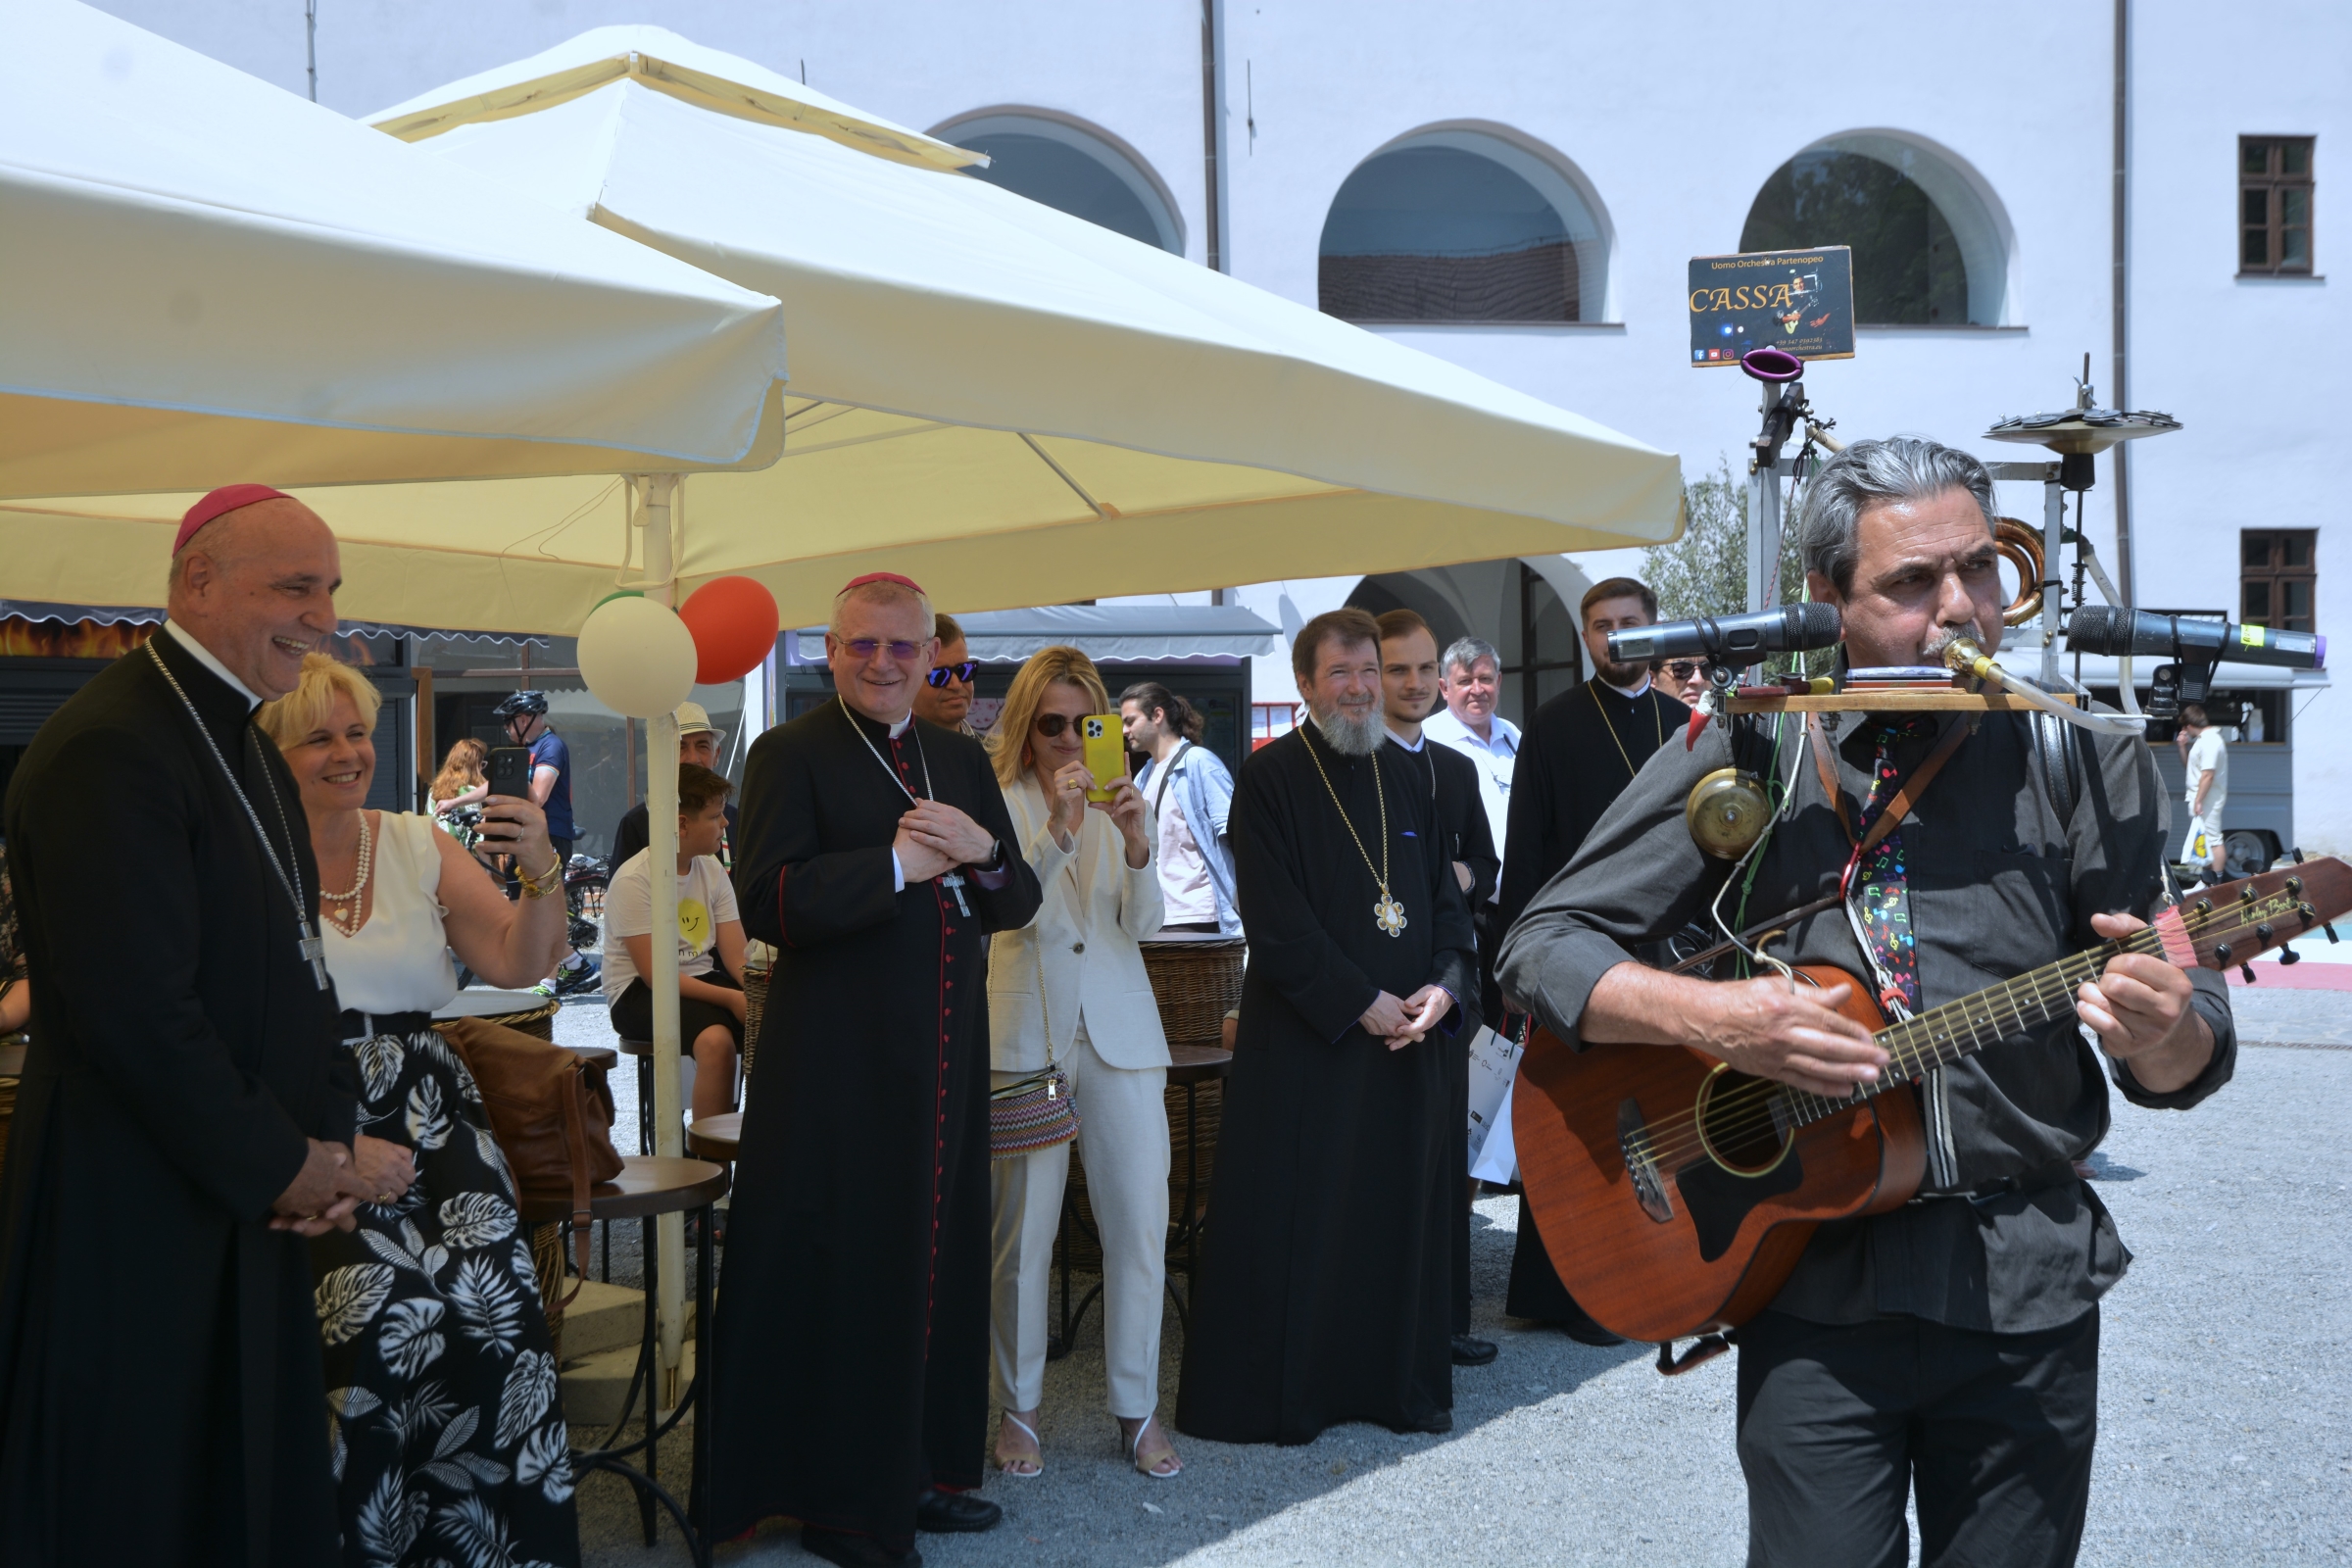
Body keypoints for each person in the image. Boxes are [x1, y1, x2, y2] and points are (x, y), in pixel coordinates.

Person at [1497, 438, 2236, 1568]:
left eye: (1979, 570)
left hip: (2023, 1285)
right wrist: (1710, 1020)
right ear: (1825, 599)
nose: (1961, 609)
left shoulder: (2079, 751)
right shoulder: (1755, 737)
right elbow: (1542, 944)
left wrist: (2168, 1029)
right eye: (1910, 584)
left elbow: (2186, 1045)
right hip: (1812, 1288)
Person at [0, 484, 370, 1565]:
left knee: (238, 1480)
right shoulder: (108, 745)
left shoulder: (246, 737)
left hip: (242, 1179)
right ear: (196, 581)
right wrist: (280, 1161)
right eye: (294, 586)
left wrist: (329, 1142)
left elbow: (298, 962)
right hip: (138, 1195)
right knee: (143, 1491)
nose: (324, 617)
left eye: (332, 589)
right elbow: (136, 1012)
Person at [710, 571, 1042, 1567]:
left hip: (943, 1066)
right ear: (829, 647)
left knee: (934, 1270)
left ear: (929, 657)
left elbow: (1014, 900)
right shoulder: (786, 754)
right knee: (850, 1272)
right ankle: (843, 1504)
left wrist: (984, 855)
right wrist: (896, 865)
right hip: (838, 1072)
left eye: (907, 650)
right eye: (866, 645)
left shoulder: (957, 756)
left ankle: (923, 1475)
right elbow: (767, 900)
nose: (887, 664)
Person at [259, 653, 580, 1567]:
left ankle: (495, 1552)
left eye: (356, 732)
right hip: (305, 1114)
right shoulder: (238, 854)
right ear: (269, 750)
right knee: (375, 1321)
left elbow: (522, 962)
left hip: (433, 1116)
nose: (346, 753)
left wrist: (541, 870)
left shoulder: (413, 840)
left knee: (504, 1323)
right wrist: (326, 1145)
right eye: (316, 736)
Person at [1175, 609, 1476, 1445]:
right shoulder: (1268, 782)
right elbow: (1272, 922)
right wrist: (1357, 1001)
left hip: (1407, 1045)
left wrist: (1446, 991)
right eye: (1340, 674)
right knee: (1305, 1217)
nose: (1360, 689)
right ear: (1305, 685)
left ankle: (1393, 1389)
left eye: (1369, 672)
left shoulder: (1411, 776)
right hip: (1313, 1048)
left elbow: (1448, 910)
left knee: (1394, 1219)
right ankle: (1298, 1399)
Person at [983, 647, 1179, 1481]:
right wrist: (1060, 831)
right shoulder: (993, 803)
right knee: (1023, 1236)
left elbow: (1147, 927)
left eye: (1083, 724)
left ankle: (1137, 1409)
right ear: (1025, 731)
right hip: (1027, 1036)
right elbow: (1006, 914)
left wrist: (1136, 843)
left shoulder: (1122, 800)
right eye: (1051, 725)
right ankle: (1019, 1407)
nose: (1068, 741)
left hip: (1121, 1037)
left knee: (1139, 1226)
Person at [1495, 575, 1690, 1341]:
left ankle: (1665, 1272)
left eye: (1630, 623)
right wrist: (1515, 962)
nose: (1617, 636)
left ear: (1654, 628)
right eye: (1602, 626)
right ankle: (1564, 1293)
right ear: (1586, 638)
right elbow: (1526, 852)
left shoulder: (1688, 725)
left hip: (1672, 953)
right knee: (1577, 1117)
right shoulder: (1553, 725)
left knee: (1663, 1109)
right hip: (1575, 950)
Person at [1376, 611, 1500, 1372]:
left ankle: (1445, 1318)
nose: (1416, 684)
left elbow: (1485, 864)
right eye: (1400, 670)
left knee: (1446, 1157)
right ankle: (1388, 1318)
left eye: (1426, 670)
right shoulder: (1357, 766)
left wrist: (1457, 881)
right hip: (1380, 995)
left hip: (1447, 985)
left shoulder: (1454, 771)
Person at [604, 764, 747, 1123]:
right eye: (715, 816)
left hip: (699, 979)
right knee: (716, 1042)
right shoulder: (635, 878)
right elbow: (656, 977)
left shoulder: (711, 869)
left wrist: (762, 997)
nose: (725, 824)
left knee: (779, 1025)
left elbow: (738, 958)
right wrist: (733, 997)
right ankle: (707, 1165)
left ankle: (755, 1154)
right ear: (681, 824)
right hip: (637, 992)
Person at [1420, 637, 1519, 1018]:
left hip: (1516, 909)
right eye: (1465, 681)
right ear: (1444, 688)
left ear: (1499, 681)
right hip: (1465, 912)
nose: (1477, 690)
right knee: (1478, 1031)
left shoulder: (1514, 737)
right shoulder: (1428, 742)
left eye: (1485, 678)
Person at [1121, 681, 1241, 935]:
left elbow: (1236, 834)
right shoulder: (1143, 775)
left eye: (1130, 721)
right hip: (1158, 914)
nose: (1124, 730)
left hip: (1197, 913)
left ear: (1157, 715)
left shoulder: (1200, 763)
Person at [611, 703, 738, 872]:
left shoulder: (735, 820)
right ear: (659, 756)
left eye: (702, 746)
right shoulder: (638, 823)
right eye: (680, 747)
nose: (693, 759)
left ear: (717, 755)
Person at [2178, 703, 2230, 881]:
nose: (2186, 732)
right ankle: (2208, 880)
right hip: (2202, 796)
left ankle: (2216, 882)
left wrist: (2199, 800)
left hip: (2209, 798)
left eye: (2185, 728)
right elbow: (2192, 769)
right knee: (2205, 840)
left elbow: (2208, 774)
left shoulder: (2210, 741)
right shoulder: (2202, 741)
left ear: (2189, 725)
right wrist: (2182, 747)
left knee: (2214, 840)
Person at [912, 612, 978, 735]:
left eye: (964, 670)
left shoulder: (992, 752)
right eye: (940, 675)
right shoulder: (886, 752)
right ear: (910, 681)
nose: (956, 685)